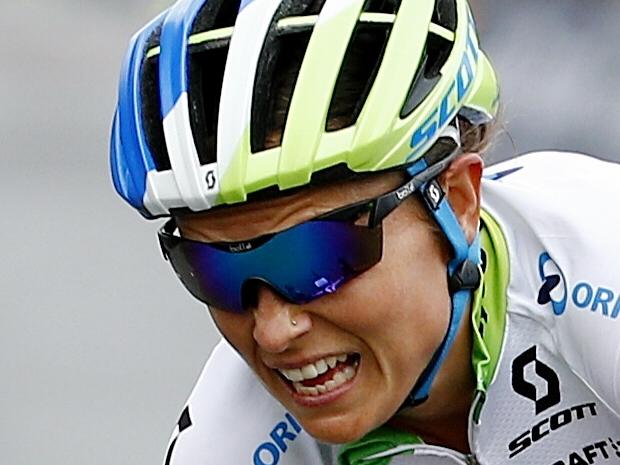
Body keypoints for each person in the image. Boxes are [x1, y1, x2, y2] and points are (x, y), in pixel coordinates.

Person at [110, 0, 620, 464]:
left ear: (459, 202)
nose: (272, 331)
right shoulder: (228, 442)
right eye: (215, 269)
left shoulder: (600, 256)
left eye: (315, 259)